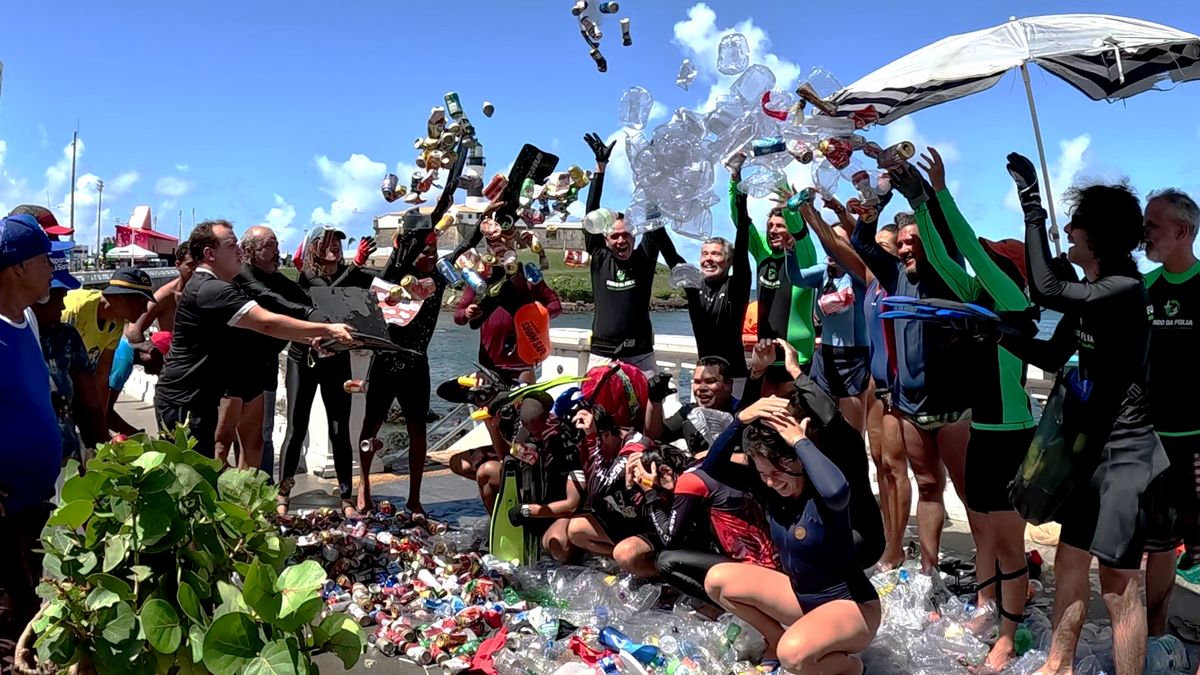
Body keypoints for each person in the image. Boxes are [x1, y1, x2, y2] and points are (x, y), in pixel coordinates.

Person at [999, 155, 1165, 675]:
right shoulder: (1094, 299)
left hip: (1126, 455)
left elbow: (1049, 288)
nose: (1067, 230)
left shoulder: (1122, 290)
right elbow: (1050, 354)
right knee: (1068, 562)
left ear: (1099, 235)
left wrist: (1031, 206)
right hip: (1088, 449)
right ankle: (1057, 667)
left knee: (1118, 587)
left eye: (1075, 225)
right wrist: (995, 334)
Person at [904, 149, 1040, 670]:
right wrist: (916, 204)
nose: (979, 262)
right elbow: (943, 260)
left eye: (990, 258)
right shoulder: (980, 296)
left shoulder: (1011, 298)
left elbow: (966, 249)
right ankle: (987, 607)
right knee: (983, 529)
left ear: (1008, 268)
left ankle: (1007, 635)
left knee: (1008, 543)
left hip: (1011, 435)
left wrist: (937, 193)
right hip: (983, 429)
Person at [703, 397, 880, 674]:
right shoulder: (769, 488)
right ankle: (776, 640)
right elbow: (713, 468)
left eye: (777, 472)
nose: (772, 482)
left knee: (793, 656)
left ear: (799, 461)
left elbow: (837, 491)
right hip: (801, 599)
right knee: (717, 581)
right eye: (763, 474)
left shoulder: (823, 491)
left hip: (851, 607)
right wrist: (739, 421)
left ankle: (851, 667)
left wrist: (800, 440)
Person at [853, 164, 972, 573]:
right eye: (900, 244)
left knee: (967, 492)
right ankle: (929, 570)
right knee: (927, 486)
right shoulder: (893, 274)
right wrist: (880, 196)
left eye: (912, 243)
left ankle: (992, 573)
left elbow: (945, 235)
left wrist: (921, 191)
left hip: (953, 405)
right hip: (910, 404)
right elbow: (860, 239)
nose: (904, 250)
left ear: (930, 246)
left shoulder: (945, 271)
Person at [155, 220, 354, 460]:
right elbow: (266, 322)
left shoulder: (215, 286)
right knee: (187, 477)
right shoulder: (211, 289)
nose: (239, 251)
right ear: (210, 254)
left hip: (200, 397)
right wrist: (328, 330)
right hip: (184, 401)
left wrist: (311, 334)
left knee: (200, 474)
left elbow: (267, 328)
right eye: (231, 246)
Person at [277, 225, 374, 514]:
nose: (336, 247)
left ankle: (345, 496)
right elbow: (327, 294)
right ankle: (283, 492)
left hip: (336, 361)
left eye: (339, 243)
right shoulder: (306, 277)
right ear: (316, 247)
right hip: (303, 359)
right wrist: (355, 266)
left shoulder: (351, 275)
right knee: (296, 427)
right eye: (329, 242)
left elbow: (381, 282)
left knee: (339, 429)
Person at [1140, 188, 1200, 637]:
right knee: (1156, 546)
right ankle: (1157, 639)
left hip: (1197, 443)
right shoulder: (1146, 291)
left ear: (1182, 231)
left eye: (1153, 226)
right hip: (1153, 441)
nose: (1145, 235)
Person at [0, 215, 62, 643]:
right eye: (45, 258)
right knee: (11, 627)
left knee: (41, 617)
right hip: (3, 516)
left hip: (37, 506)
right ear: (18, 267)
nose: (52, 268)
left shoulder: (30, 321)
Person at [631, 440, 778, 605]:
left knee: (665, 562)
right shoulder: (701, 466)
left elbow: (669, 538)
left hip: (756, 564)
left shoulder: (689, 482)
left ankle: (728, 606)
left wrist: (650, 492)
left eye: (659, 488)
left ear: (665, 471)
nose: (662, 496)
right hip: (764, 552)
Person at [582, 131, 675, 378]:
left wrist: (650, 171)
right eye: (615, 236)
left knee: (647, 412)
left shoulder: (644, 259)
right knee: (597, 413)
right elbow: (590, 213)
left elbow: (653, 215)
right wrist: (600, 167)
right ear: (605, 239)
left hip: (641, 354)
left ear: (634, 235)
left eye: (626, 235)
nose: (621, 240)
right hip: (602, 353)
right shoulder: (600, 256)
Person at [225, 225, 311, 475]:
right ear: (250, 252)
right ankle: (241, 492)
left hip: (265, 369)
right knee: (231, 437)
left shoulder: (275, 276)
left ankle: (262, 488)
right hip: (235, 372)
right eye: (269, 247)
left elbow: (300, 295)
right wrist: (307, 315)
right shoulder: (242, 274)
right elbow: (271, 298)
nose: (276, 252)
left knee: (263, 434)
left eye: (276, 245)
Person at [29, 248, 108, 463]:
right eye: (59, 297)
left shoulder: (67, 338)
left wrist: (107, 458)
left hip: (66, 461)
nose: (63, 306)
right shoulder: (9, 337)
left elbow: (89, 407)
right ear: (39, 296)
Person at [739, 175, 824, 371]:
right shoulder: (762, 252)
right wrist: (735, 179)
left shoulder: (804, 254)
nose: (773, 230)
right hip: (767, 355)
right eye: (770, 226)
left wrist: (787, 199)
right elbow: (741, 221)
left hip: (799, 357)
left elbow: (800, 230)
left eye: (780, 226)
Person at [565, 404, 657, 577]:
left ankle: (662, 578)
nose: (593, 452)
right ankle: (625, 566)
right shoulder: (593, 446)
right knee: (575, 530)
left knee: (624, 554)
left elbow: (598, 489)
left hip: (650, 525)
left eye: (594, 445)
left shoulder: (635, 447)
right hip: (623, 517)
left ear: (606, 435)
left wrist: (592, 440)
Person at [61, 267, 156, 413]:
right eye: (142, 301)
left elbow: (101, 378)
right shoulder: (75, 310)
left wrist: (101, 423)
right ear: (122, 297)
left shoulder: (117, 323)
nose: (145, 309)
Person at [506, 394, 587, 563]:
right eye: (532, 433)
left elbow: (571, 505)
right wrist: (491, 426)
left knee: (559, 545)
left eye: (539, 433)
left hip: (561, 512)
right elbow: (507, 458)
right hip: (537, 500)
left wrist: (527, 510)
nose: (537, 437)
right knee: (492, 471)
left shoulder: (566, 447)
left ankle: (574, 556)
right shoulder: (527, 437)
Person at [454, 274, 562, 385]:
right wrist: (467, 313)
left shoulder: (529, 276)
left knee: (523, 400)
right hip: (489, 367)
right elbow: (458, 316)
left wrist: (538, 314)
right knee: (491, 401)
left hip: (522, 366)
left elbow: (555, 306)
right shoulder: (478, 280)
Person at [646, 357, 739, 458]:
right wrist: (655, 401)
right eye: (697, 382)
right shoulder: (690, 412)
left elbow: (752, 458)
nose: (702, 388)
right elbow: (655, 438)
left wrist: (712, 455)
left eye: (710, 381)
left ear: (728, 385)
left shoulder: (742, 412)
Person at [125, 240, 195, 339]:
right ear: (178, 265)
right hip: (172, 352)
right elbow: (133, 330)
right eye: (191, 265)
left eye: (199, 265)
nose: (196, 270)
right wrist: (146, 350)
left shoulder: (209, 293)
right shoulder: (165, 295)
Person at [107, 334, 169, 436]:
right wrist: (135, 435)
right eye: (163, 364)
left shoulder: (122, 344)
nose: (161, 371)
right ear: (153, 353)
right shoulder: (123, 363)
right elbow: (104, 412)